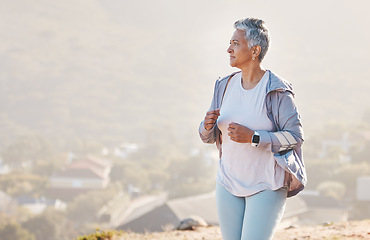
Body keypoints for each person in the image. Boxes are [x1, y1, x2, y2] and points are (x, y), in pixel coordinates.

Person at [198, 18, 307, 240]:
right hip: (227, 183)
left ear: (255, 50)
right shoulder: (223, 85)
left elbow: (295, 137)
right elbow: (207, 136)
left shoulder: (277, 90)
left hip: (267, 184)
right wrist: (206, 126)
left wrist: (254, 137)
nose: (229, 49)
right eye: (230, 42)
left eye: (235, 43)